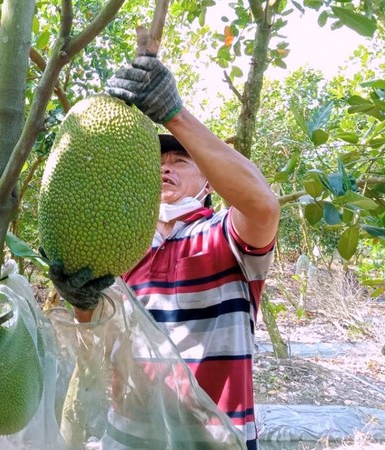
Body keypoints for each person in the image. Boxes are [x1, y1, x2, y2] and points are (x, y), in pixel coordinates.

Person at [49, 56, 280, 449]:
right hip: (128, 436)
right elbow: (102, 348)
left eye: (180, 160)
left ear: (208, 180)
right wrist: (82, 304)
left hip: (214, 438)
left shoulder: (224, 235)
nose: (165, 168)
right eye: (157, 162)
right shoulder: (119, 246)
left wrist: (174, 115)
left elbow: (263, 205)